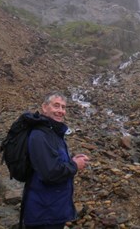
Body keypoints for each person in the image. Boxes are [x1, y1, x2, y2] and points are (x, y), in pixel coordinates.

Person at [23, 91, 90, 229]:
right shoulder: (40, 135)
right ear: (44, 107)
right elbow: (50, 173)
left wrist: (71, 160)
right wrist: (75, 165)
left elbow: (53, 161)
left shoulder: (53, 132)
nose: (60, 111)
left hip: (52, 209)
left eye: (63, 107)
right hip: (43, 213)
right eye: (56, 106)